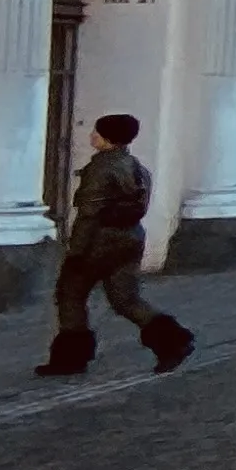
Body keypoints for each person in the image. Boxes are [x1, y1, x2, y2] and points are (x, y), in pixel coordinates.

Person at [39, 113, 193, 378]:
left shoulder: (101, 168)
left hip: (99, 241)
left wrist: (75, 252)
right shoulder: (135, 166)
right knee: (126, 299)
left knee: (70, 295)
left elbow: (89, 214)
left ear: (108, 139)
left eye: (97, 133)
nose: (92, 136)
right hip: (131, 237)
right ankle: (172, 340)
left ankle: (70, 358)